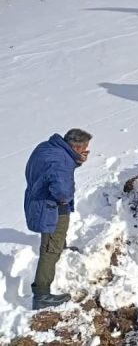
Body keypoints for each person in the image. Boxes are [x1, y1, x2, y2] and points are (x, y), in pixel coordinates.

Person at [24, 129, 92, 310]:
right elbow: (62, 191)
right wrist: (65, 198)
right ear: (76, 147)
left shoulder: (48, 148)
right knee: (49, 249)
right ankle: (42, 295)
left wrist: (76, 161)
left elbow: (49, 170)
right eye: (85, 149)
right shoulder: (61, 162)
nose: (86, 152)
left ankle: (60, 245)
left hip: (37, 199)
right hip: (51, 208)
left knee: (56, 239)